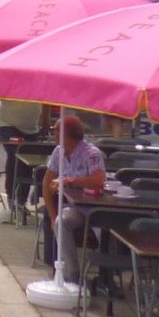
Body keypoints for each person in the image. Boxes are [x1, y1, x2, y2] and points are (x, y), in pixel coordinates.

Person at [44, 115, 106, 284]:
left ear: (65, 133)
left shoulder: (91, 153)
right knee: (59, 222)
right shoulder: (59, 151)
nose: (53, 135)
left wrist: (70, 180)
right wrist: (51, 214)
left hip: (95, 209)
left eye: (55, 131)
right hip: (74, 208)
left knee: (107, 236)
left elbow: (99, 180)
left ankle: (106, 277)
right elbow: (47, 181)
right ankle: (72, 274)